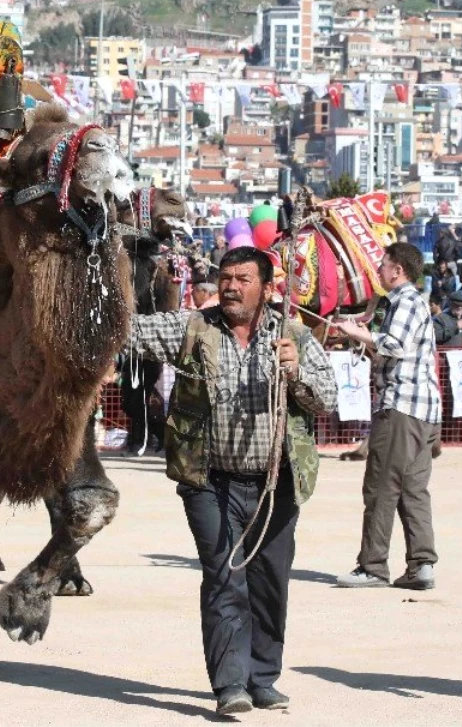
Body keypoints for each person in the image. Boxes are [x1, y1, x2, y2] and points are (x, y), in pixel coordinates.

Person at [128, 246, 337, 717]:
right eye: (225, 277)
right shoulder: (192, 327)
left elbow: (325, 399)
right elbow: (130, 333)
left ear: (266, 287)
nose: (231, 286)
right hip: (209, 480)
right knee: (225, 580)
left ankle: (263, 678)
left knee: (269, 585)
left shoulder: (294, 336)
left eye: (243, 278)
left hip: (274, 485)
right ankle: (230, 685)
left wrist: (295, 372)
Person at [336, 242, 442, 591]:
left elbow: (395, 345)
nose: (379, 270)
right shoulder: (410, 303)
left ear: (398, 270)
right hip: (421, 412)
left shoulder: (406, 301)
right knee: (413, 490)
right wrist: (365, 336)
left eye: (383, 265)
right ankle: (421, 566)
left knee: (381, 487)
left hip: (402, 408)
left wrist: (355, 331)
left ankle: (373, 567)